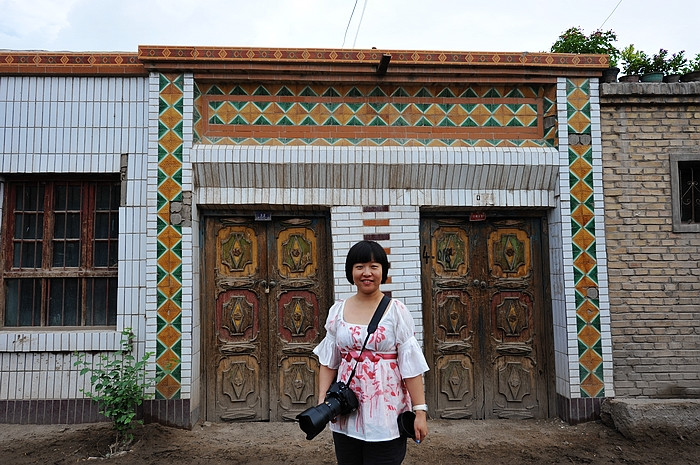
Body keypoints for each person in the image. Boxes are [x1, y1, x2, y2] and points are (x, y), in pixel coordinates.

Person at [313, 240, 430, 465]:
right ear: (351, 271)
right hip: (346, 412)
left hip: (386, 416)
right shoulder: (337, 311)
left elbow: (411, 367)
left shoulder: (396, 312)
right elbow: (330, 361)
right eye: (359, 266)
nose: (366, 273)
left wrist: (420, 412)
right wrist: (322, 402)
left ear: (383, 271)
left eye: (374, 266)